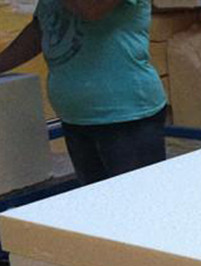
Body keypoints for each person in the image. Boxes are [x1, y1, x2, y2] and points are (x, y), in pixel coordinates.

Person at [0, 0, 167, 185]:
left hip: (126, 116)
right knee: (95, 200)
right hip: (76, 118)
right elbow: (42, 27)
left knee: (135, 198)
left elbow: (91, 9)